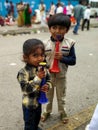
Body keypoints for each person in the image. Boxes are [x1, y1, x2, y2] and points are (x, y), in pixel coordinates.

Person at [41, 13, 76, 124]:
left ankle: (62, 112)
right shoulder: (44, 44)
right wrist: (42, 68)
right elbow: (41, 60)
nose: (57, 31)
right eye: (54, 28)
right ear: (49, 29)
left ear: (67, 30)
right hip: (48, 76)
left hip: (61, 76)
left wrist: (63, 58)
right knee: (48, 95)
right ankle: (47, 111)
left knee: (61, 96)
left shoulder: (69, 44)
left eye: (61, 28)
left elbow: (73, 61)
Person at [17, 38, 52, 130]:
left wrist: (47, 86)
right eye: (35, 55)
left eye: (42, 55)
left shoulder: (42, 68)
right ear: (25, 57)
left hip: (38, 102)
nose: (40, 58)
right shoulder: (23, 72)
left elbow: (49, 79)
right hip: (29, 104)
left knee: (36, 119)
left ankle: (35, 127)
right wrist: (38, 78)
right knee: (29, 123)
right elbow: (25, 89)